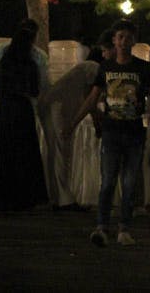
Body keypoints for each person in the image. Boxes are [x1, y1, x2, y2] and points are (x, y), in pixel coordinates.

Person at [66, 20, 150, 247]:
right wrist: (73, 123)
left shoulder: (143, 68)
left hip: (135, 132)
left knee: (128, 183)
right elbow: (92, 98)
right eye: (120, 37)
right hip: (111, 132)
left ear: (133, 41)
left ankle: (124, 228)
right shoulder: (105, 68)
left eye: (128, 38)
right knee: (107, 181)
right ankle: (101, 227)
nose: (124, 42)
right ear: (114, 40)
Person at [0, 21, 49, 212]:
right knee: (24, 152)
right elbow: (35, 90)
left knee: (2, 151)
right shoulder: (31, 63)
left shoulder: (4, 62)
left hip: (5, 108)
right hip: (23, 109)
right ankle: (24, 196)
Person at [38, 58, 100, 209]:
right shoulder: (94, 68)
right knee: (61, 151)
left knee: (56, 151)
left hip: (52, 104)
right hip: (59, 106)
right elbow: (90, 99)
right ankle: (64, 199)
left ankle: (57, 197)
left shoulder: (85, 68)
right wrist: (75, 124)